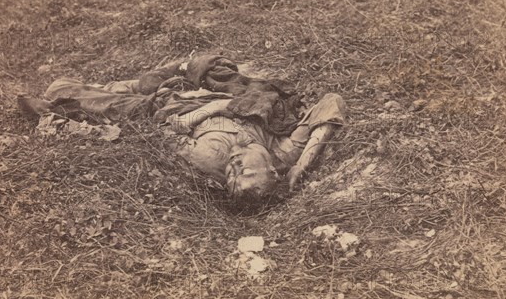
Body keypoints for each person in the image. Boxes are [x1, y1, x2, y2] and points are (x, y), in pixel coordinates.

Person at [18, 54, 346, 206]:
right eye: (246, 173)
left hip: (172, 106)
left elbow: (164, 129)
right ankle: (117, 85)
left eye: (232, 179)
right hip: (210, 96)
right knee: (208, 69)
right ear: (274, 172)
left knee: (65, 89)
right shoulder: (285, 154)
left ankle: (72, 100)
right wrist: (301, 169)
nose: (233, 169)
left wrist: (208, 110)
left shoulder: (209, 158)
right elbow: (331, 103)